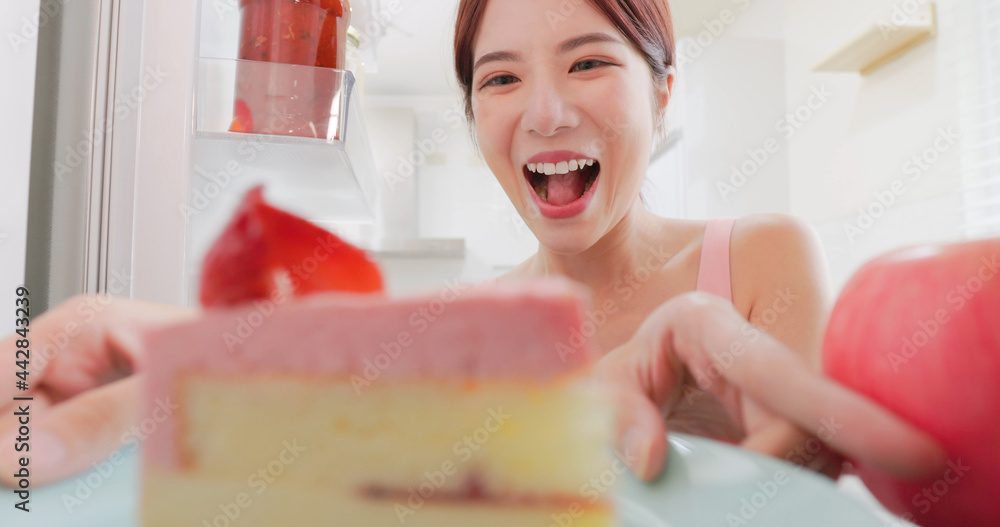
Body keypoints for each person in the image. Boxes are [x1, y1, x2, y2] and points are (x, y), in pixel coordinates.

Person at [0, 0, 944, 488]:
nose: (544, 110)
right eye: (499, 80)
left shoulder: (764, 255)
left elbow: (818, 477)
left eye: (588, 61)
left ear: (661, 90)